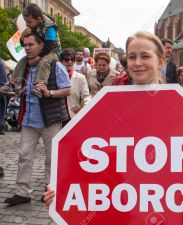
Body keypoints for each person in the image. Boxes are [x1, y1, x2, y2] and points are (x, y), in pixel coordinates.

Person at [43, 31, 166, 206]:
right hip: (116, 198)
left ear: (160, 62)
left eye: (145, 56)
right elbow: (88, 154)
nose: (137, 63)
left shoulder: (177, 106)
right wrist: (61, 196)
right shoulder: (111, 102)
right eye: (132, 57)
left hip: (159, 199)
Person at [4, 32, 70, 207]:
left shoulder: (55, 65)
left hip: (50, 120)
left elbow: (67, 89)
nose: (27, 48)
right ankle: (22, 192)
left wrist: (50, 93)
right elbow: (21, 90)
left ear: (41, 46)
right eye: (25, 45)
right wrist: (16, 90)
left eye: (30, 44)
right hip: (29, 120)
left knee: (51, 158)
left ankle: (50, 192)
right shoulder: (24, 65)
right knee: (24, 156)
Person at [0, 3, 60, 98]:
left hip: (53, 51)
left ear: (39, 19)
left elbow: (49, 46)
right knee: (22, 60)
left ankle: (39, 86)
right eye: (26, 22)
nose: (27, 25)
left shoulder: (50, 26)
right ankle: (13, 84)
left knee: (44, 62)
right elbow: (23, 44)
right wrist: (23, 35)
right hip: (40, 49)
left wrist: (37, 58)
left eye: (29, 22)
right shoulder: (33, 26)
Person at [60, 48, 91, 119]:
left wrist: (86, 106)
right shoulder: (55, 75)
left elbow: (86, 96)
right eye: (67, 60)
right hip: (58, 116)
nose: (70, 62)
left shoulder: (81, 78)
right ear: (62, 61)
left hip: (73, 115)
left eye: (72, 60)